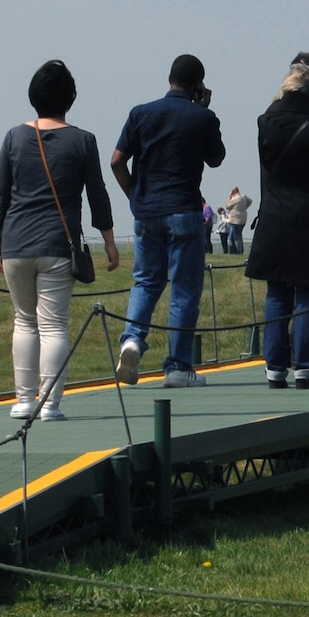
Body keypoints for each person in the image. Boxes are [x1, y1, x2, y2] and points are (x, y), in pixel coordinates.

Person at [0, 60, 120, 420]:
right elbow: (97, 195)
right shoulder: (83, 140)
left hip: (16, 243)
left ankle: (22, 401)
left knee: (24, 321)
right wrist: (109, 242)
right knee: (53, 325)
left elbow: (0, 191)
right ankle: (50, 403)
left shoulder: (14, 136)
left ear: (34, 96)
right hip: (57, 245)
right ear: (70, 98)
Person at [111, 53, 227, 388]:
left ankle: (132, 339)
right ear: (198, 85)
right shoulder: (202, 117)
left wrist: (135, 196)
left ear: (169, 79)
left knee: (146, 282)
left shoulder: (141, 113)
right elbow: (216, 159)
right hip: (185, 211)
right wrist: (203, 111)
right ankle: (177, 367)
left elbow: (117, 161)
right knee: (184, 290)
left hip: (147, 211)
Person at [245, 53, 309, 389]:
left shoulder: (265, 122)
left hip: (274, 214)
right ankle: (305, 366)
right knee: (308, 294)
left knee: (277, 293)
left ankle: (275, 368)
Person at [220, 185, 252, 255]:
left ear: (233, 192)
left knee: (234, 238)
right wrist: (244, 207)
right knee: (239, 236)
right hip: (243, 219)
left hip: (234, 220)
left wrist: (229, 198)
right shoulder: (244, 197)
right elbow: (250, 201)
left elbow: (227, 206)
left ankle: (235, 252)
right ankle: (239, 251)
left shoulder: (235, 199)